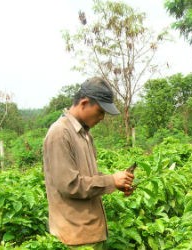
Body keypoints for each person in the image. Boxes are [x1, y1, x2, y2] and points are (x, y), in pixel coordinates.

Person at [43, 77, 135, 249]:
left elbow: (88, 177)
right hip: (75, 238)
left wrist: (117, 183)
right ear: (84, 103)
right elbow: (69, 185)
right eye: (100, 111)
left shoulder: (84, 134)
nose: (102, 117)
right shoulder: (60, 133)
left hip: (89, 234)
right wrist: (111, 180)